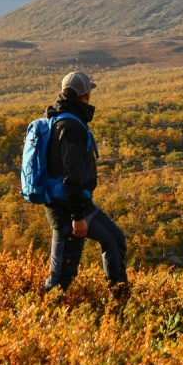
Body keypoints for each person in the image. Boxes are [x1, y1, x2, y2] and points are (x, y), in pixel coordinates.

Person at [43, 70, 128, 299]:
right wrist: (76, 217)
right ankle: (45, 317)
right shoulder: (72, 128)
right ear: (86, 96)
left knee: (114, 239)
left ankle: (120, 302)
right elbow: (72, 175)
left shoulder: (59, 119)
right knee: (62, 275)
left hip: (79, 203)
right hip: (67, 209)